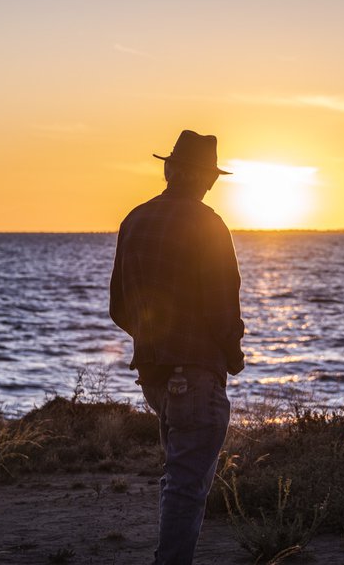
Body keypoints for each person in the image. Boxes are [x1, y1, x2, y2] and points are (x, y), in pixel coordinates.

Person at [109, 129, 245, 565]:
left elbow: (118, 307)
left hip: (154, 377)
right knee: (187, 486)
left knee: (178, 481)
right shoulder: (208, 225)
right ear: (207, 179)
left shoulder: (135, 219)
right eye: (211, 176)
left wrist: (153, 340)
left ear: (169, 169)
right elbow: (222, 305)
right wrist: (234, 355)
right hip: (196, 375)